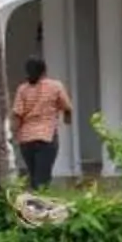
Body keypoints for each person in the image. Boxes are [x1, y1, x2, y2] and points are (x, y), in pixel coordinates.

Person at [10, 56, 73, 188]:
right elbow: (67, 107)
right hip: (46, 137)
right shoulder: (55, 86)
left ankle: (34, 203)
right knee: (43, 177)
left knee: (33, 176)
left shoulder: (22, 89)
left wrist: (13, 135)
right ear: (45, 70)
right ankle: (42, 203)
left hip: (26, 139)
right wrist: (67, 119)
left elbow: (17, 115)